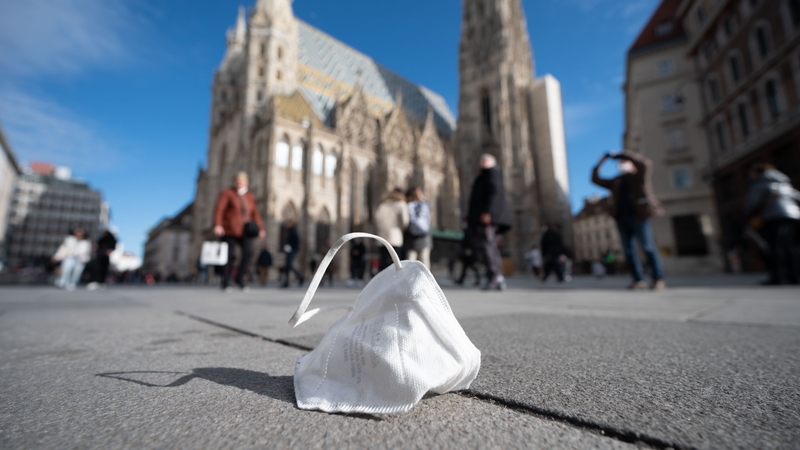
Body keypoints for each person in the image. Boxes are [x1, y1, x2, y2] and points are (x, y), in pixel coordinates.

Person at [592, 151, 665, 290]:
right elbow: (595, 179)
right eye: (620, 163)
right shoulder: (616, 181)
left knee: (648, 247)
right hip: (621, 218)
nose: (622, 164)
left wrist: (621, 155)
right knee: (629, 251)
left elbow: (644, 163)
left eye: (624, 162)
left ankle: (658, 278)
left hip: (639, 217)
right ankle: (638, 280)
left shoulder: (638, 176)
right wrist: (601, 162)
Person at [742, 163, 800, 285]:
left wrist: (745, 214)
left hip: (772, 218)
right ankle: (794, 277)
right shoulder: (785, 185)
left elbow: (751, 203)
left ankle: (777, 277)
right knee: (789, 246)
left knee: (774, 247)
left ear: (757, 173)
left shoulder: (760, 184)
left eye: (751, 174)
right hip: (793, 216)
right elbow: (797, 198)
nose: (750, 176)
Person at [466, 154, 512, 290]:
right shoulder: (486, 175)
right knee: (490, 247)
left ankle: (495, 276)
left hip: (487, 218)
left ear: (491, 162)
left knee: (487, 246)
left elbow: (494, 194)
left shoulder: (492, 174)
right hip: (483, 217)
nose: (481, 162)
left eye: (484, 160)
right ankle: (497, 276)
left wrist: (488, 212)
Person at [213, 172, 265, 292]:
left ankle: (239, 278)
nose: (239, 184)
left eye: (241, 181)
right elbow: (219, 209)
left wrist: (261, 228)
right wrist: (217, 225)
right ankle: (226, 282)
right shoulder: (227, 193)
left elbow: (255, 214)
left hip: (245, 231)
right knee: (228, 256)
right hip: (229, 229)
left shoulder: (250, 196)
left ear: (246, 183)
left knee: (248, 253)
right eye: (237, 181)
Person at [375, 188, 410, 271]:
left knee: (383, 261)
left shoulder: (383, 204)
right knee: (396, 262)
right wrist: (401, 229)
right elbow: (405, 221)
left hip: (382, 236)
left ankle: (383, 281)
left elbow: (376, 218)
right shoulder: (401, 204)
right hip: (395, 235)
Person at [405, 186, 433, 269]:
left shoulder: (408, 205)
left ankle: (413, 281)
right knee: (424, 262)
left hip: (413, 237)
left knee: (410, 262)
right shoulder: (424, 205)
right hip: (421, 237)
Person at [281, 219, 304, 288]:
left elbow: (296, 240)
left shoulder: (293, 230)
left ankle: (300, 277)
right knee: (287, 266)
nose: (286, 225)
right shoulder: (288, 231)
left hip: (293, 250)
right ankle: (287, 282)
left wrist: (290, 246)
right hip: (289, 250)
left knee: (289, 265)